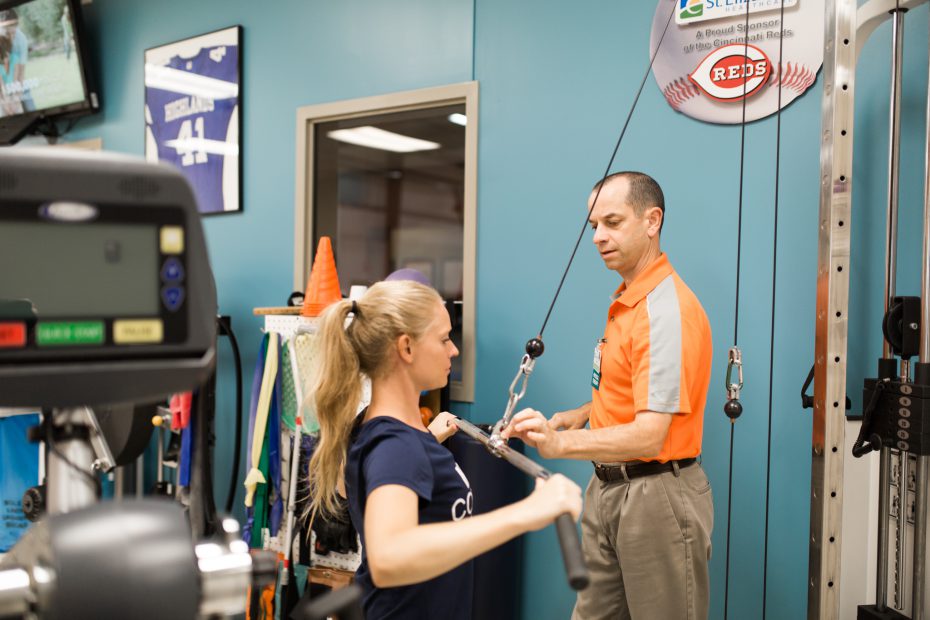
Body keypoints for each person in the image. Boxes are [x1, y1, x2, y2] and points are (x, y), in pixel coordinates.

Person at [503, 171, 714, 620]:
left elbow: (650, 435)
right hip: (608, 488)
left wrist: (560, 444)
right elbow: (637, 391)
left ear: (652, 220)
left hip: (656, 496)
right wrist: (582, 413)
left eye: (612, 222)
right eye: (593, 225)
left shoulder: (664, 310)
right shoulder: (628, 300)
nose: (598, 237)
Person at [305, 279, 582, 619]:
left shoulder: (377, 427)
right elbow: (387, 559)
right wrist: (527, 512)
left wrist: (427, 442)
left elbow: (353, 488)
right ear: (406, 348)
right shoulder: (398, 445)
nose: (454, 350)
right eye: (444, 338)